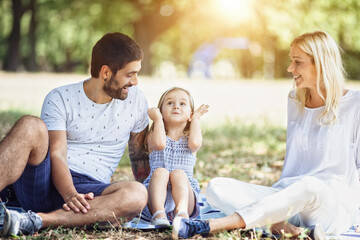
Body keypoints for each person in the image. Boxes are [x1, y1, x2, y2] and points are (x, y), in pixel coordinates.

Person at [172, 31, 360, 240]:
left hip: (329, 207)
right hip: (288, 198)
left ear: (322, 64)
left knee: (310, 185)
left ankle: (212, 225)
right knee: (217, 187)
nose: (290, 69)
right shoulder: (294, 99)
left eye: (298, 62)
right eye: (291, 61)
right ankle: (286, 228)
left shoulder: (355, 103)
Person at [0, 32, 150, 236]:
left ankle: (35, 221)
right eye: (130, 74)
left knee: (137, 194)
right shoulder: (60, 97)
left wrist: (156, 201)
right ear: (106, 72)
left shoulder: (137, 101)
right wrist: (69, 193)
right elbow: (57, 154)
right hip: (44, 181)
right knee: (30, 124)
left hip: (90, 192)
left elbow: (140, 158)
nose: (135, 82)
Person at [141, 87, 208, 229]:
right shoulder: (154, 135)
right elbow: (160, 144)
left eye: (182, 104)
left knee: (178, 173)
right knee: (160, 172)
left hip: (185, 198)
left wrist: (195, 119)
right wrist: (158, 120)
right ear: (161, 111)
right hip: (157, 196)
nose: (176, 106)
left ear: (190, 114)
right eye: (170, 103)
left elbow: (195, 144)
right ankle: (159, 214)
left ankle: (181, 214)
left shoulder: (190, 138)